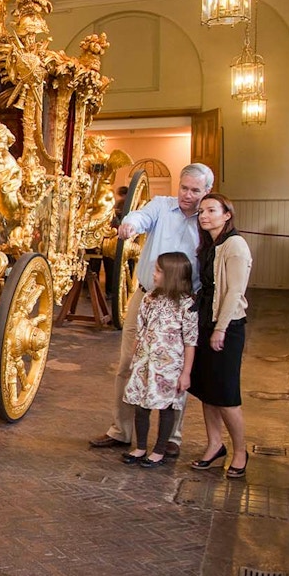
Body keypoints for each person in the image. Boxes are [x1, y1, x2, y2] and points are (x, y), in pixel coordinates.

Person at [89, 163, 213, 455]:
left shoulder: (206, 219)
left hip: (184, 304)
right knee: (127, 364)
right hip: (146, 298)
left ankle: (171, 438)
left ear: (206, 191)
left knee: (176, 370)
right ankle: (121, 431)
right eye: (184, 187)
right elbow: (140, 216)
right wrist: (130, 225)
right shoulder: (161, 205)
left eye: (195, 190)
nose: (187, 195)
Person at [188, 194, 252, 478]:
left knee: (226, 394)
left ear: (227, 214)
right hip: (204, 322)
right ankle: (215, 444)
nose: (204, 215)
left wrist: (220, 329)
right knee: (208, 390)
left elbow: (234, 292)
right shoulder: (210, 245)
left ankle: (240, 451)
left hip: (226, 326)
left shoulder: (234, 245)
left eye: (212, 210)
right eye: (202, 211)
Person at [121, 252, 197, 467]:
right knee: (141, 406)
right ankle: (141, 446)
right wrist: (132, 361)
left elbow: (191, 342)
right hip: (145, 362)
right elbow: (140, 331)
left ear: (171, 275)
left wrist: (186, 373)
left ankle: (159, 450)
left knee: (166, 409)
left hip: (169, 367)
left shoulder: (187, 305)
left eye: (158, 271)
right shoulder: (150, 298)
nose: (153, 275)